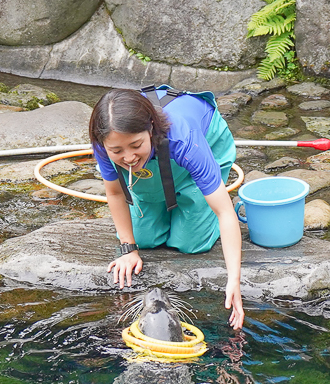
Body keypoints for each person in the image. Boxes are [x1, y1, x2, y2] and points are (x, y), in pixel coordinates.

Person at [90, 86, 244, 330]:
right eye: (117, 151)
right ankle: (163, 200)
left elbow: (224, 212)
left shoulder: (184, 138)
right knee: (144, 239)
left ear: (150, 128)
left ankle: (192, 200)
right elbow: (115, 191)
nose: (128, 157)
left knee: (190, 243)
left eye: (135, 144)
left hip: (202, 142)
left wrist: (234, 279)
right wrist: (128, 249)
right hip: (156, 163)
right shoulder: (103, 142)